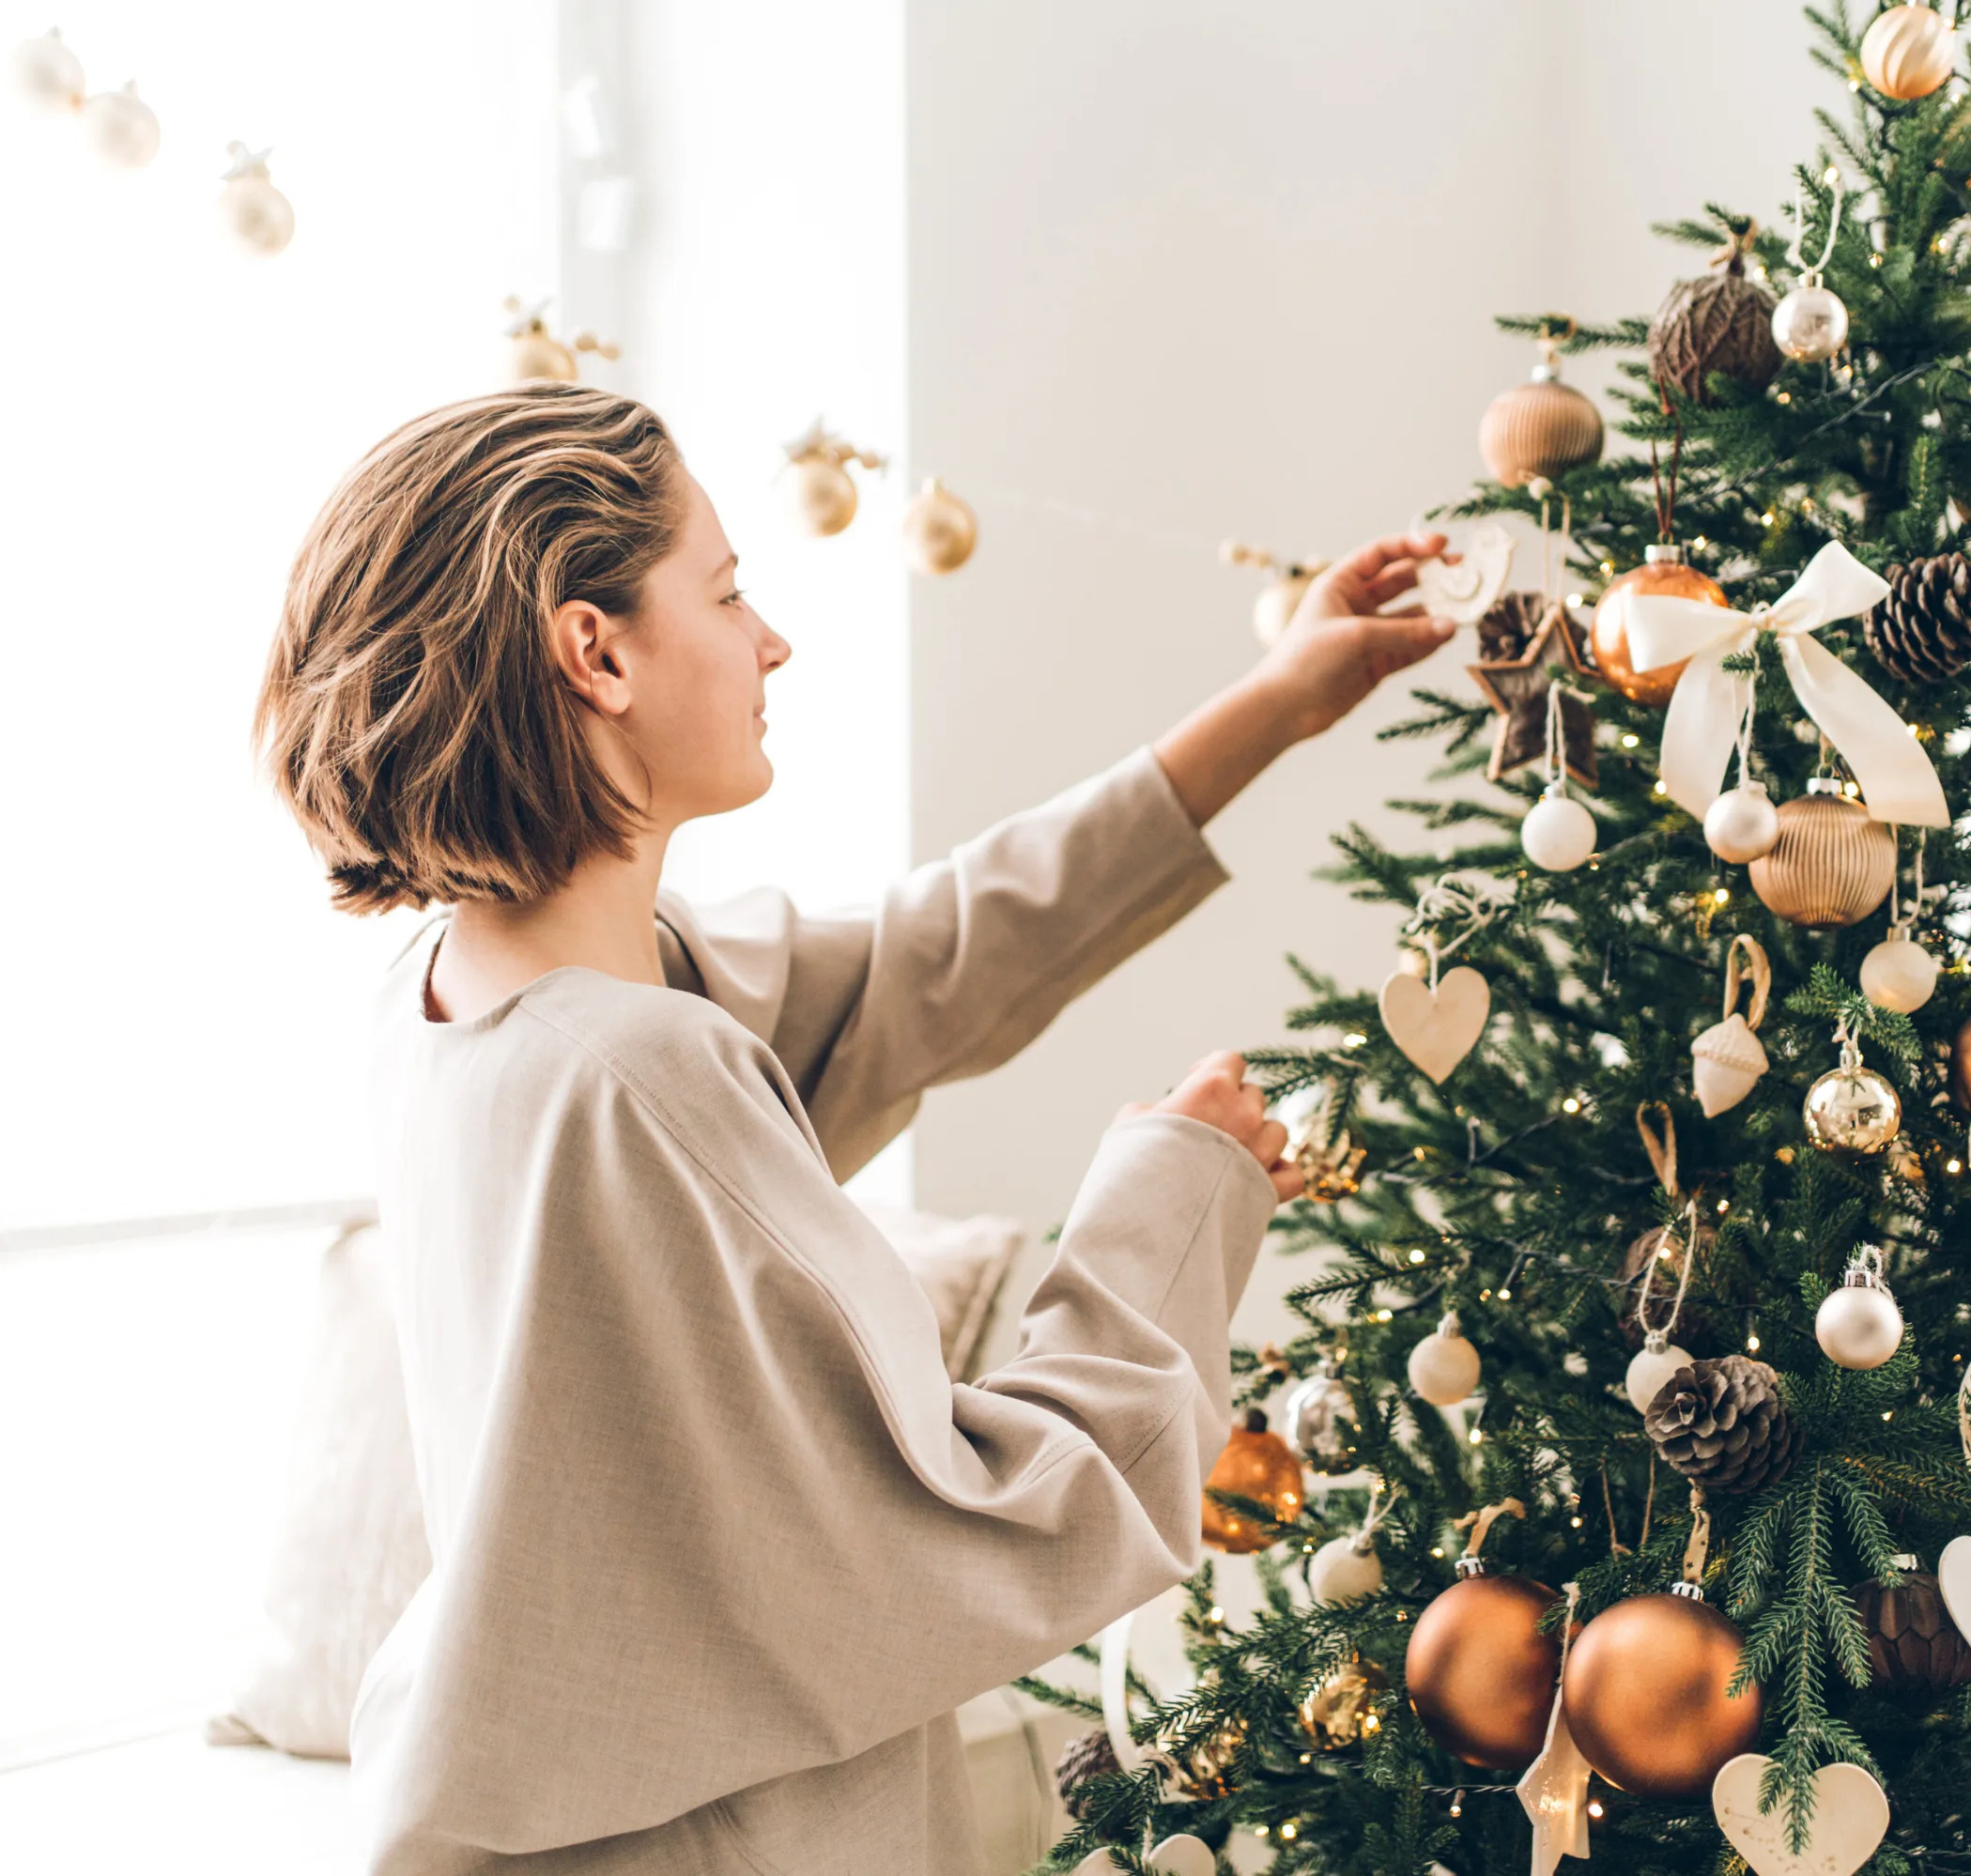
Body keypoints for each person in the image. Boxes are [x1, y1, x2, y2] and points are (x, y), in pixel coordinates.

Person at [252, 381, 1455, 1875]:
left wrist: (1280, 705)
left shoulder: (469, 995)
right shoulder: (636, 1073)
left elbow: (920, 964)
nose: (772, 638)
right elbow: (988, 1529)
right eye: (730, 589)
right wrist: (1177, 1186)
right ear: (595, 650)